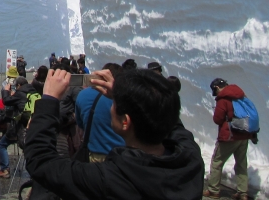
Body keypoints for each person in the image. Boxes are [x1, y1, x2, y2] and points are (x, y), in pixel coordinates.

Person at [22, 68, 204, 200]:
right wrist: (125, 94)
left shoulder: (109, 180)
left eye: (114, 105)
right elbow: (171, 120)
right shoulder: (191, 160)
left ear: (125, 122)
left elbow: (41, 161)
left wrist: (49, 100)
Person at [203, 78, 254, 200]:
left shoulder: (223, 99)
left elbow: (218, 119)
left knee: (217, 162)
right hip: (244, 133)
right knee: (241, 163)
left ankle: (213, 190)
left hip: (229, 135)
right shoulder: (241, 95)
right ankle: (243, 193)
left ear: (217, 87)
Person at [74, 63, 124, 162]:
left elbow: (80, 124)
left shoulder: (83, 94)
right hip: (123, 155)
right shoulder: (123, 98)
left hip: (96, 155)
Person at [0, 76, 37, 178]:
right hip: (32, 125)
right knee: (29, 148)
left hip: (19, 127)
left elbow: (6, 101)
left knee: (2, 144)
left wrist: (6, 91)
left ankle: (5, 169)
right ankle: (34, 171)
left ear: (19, 85)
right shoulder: (33, 92)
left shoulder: (20, 93)